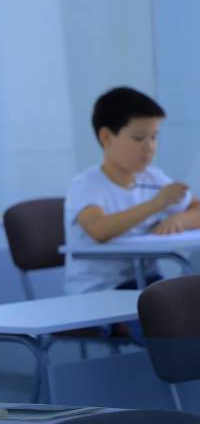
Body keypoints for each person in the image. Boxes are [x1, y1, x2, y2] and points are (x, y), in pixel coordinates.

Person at [65, 87, 200, 293]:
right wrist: (156, 204)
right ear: (106, 137)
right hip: (102, 289)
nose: (149, 147)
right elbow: (99, 229)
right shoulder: (86, 184)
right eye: (138, 138)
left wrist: (179, 220)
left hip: (148, 283)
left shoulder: (154, 178)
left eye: (153, 137)